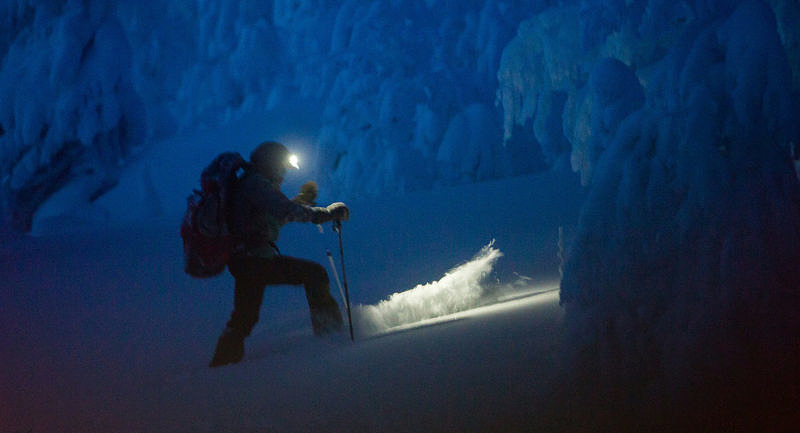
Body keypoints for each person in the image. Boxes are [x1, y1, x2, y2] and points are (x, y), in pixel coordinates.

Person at [209, 141, 350, 367]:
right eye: (282, 167)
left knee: (244, 319)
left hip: (245, 261)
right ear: (271, 164)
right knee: (315, 274)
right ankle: (332, 338)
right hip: (256, 260)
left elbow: (274, 218)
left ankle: (218, 369)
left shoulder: (250, 184)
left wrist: (302, 200)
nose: (284, 172)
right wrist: (325, 214)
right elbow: (284, 210)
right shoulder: (256, 184)